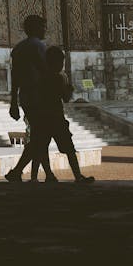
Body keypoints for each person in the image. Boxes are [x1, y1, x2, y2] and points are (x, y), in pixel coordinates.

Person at [5, 14, 55, 182]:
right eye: (42, 27)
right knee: (40, 137)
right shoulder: (38, 46)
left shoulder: (18, 49)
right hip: (38, 97)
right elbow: (45, 71)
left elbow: (15, 77)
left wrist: (13, 102)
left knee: (39, 136)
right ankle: (18, 171)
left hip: (25, 98)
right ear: (34, 28)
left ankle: (47, 174)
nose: (44, 30)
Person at [35, 46, 95, 183]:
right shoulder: (58, 78)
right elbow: (66, 98)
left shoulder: (41, 78)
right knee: (69, 148)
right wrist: (69, 88)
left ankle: (49, 174)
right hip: (56, 117)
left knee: (43, 146)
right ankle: (77, 175)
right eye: (60, 62)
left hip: (43, 117)